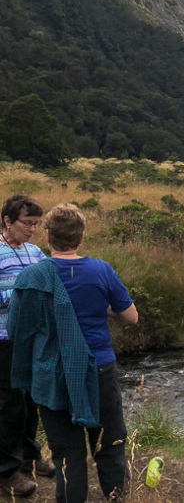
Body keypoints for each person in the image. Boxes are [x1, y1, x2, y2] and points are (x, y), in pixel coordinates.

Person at [7, 203, 138, 502]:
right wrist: (104, 307)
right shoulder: (101, 270)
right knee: (109, 444)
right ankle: (117, 497)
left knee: (67, 453)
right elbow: (131, 317)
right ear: (81, 238)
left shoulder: (32, 277)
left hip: (52, 374)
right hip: (99, 369)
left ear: (49, 236)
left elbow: (16, 328)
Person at [0, 195, 55, 497]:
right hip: (4, 341)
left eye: (36, 224)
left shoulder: (36, 253)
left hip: (33, 340)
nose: (33, 229)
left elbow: (51, 284)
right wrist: (22, 298)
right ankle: (7, 471)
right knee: (10, 405)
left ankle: (30, 457)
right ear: (8, 221)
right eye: (27, 223)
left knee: (33, 400)